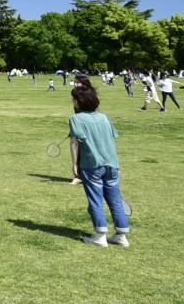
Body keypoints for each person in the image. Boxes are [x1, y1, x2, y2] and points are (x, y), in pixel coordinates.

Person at [68, 84, 130, 247]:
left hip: (91, 165)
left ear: (78, 102)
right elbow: (111, 136)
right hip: (112, 165)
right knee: (115, 199)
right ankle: (121, 235)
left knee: (95, 199)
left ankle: (100, 235)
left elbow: (75, 144)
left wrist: (74, 165)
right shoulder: (104, 117)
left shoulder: (75, 118)